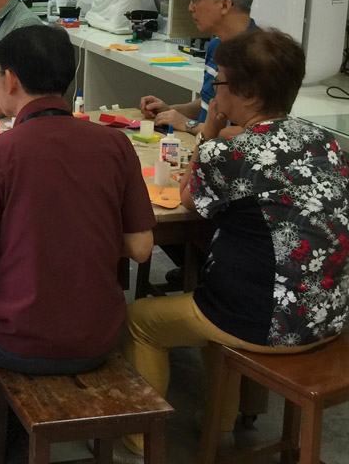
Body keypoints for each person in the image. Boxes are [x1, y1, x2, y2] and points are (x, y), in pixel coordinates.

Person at [121, 29, 348, 462]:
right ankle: (219, 423)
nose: (214, 91)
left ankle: (138, 443)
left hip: (268, 321)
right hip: (330, 311)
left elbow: (189, 199)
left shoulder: (229, 154)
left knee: (141, 320)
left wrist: (209, 132)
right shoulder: (324, 141)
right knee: (219, 296)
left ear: (243, 93)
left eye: (218, 84)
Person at [0, 25, 155, 415]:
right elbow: (141, 249)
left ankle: (3, 418)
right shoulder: (114, 144)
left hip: (20, 340)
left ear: (12, 80)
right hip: (99, 337)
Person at [139, 0, 255, 136]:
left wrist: (188, 124)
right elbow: (208, 105)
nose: (190, 7)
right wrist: (169, 111)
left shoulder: (260, 56)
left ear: (225, 5)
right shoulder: (216, 45)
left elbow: (252, 132)